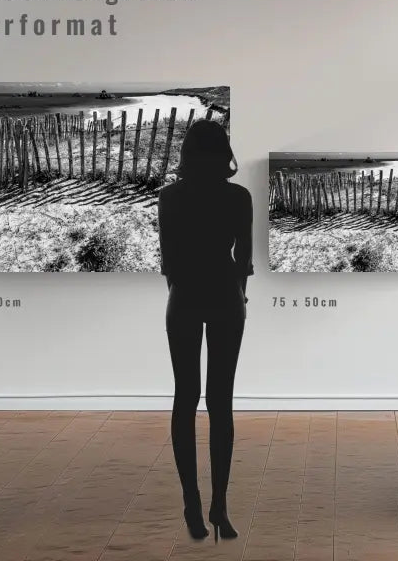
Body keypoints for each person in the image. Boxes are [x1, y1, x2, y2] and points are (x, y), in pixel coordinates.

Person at [158, 118, 253, 542]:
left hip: (184, 296)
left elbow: (168, 261)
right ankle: (220, 506)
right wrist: (240, 298)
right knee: (220, 403)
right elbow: (244, 261)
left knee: (185, 398)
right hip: (225, 297)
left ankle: (192, 504)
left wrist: (179, 291)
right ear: (224, 153)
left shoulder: (170, 196)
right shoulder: (239, 197)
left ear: (187, 154)